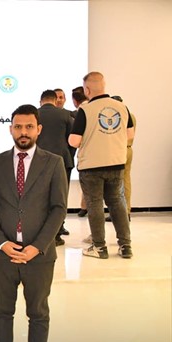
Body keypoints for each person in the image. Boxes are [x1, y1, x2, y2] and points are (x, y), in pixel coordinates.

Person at [0, 104, 67, 342]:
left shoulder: (53, 163)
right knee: (3, 312)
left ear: (38, 129)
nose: (23, 132)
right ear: (11, 129)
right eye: (18, 127)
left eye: (29, 127)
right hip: (2, 255)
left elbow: (58, 208)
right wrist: (2, 242)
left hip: (38, 257)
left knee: (38, 314)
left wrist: (37, 247)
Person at [68, 72, 135, 259]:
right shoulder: (122, 107)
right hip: (116, 163)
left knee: (95, 204)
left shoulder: (85, 110)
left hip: (91, 166)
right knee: (117, 203)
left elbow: (74, 141)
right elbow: (130, 135)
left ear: (87, 90)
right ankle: (125, 246)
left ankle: (99, 247)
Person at [37, 89, 73, 245]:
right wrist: (68, 155)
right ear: (54, 100)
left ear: (41, 101)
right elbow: (72, 140)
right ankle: (57, 233)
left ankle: (41, 233)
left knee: (39, 197)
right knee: (59, 197)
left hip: (38, 162)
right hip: (62, 161)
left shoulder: (34, 115)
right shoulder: (66, 115)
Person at [105, 95, 135, 222]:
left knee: (115, 184)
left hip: (118, 151)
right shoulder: (131, 115)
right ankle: (126, 211)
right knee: (126, 181)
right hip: (128, 149)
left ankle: (117, 213)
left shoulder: (115, 117)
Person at [71, 87, 90, 217]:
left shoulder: (81, 112)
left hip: (86, 156)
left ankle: (85, 207)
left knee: (89, 188)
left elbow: (74, 140)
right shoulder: (95, 110)